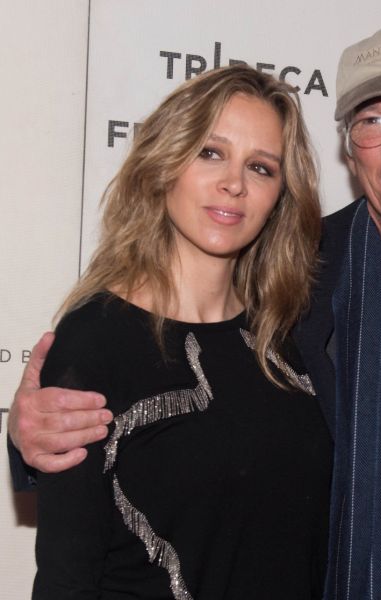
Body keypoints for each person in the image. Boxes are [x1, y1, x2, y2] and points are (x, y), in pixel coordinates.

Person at [9, 26, 381, 600]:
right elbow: (166, 381)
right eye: (372, 121)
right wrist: (29, 436)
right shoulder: (297, 279)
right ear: (348, 149)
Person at [12, 64, 332, 599]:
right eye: (211, 152)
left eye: (261, 167)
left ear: (280, 196)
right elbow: (66, 577)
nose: (234, 183)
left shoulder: (289, 336)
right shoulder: (95, 341)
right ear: (166, 162)